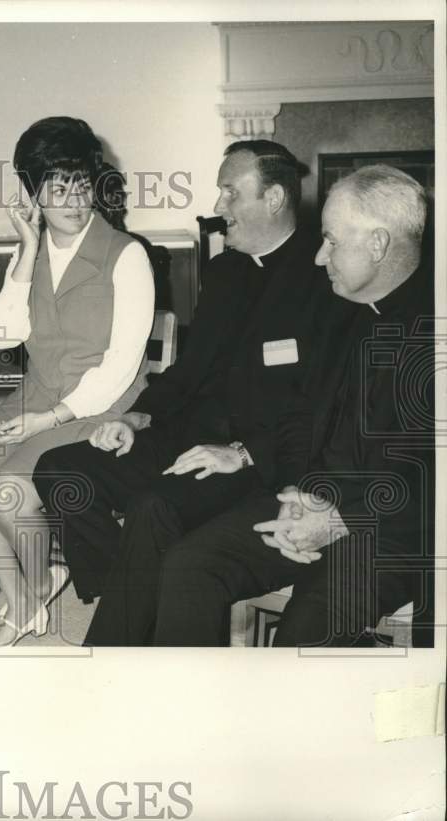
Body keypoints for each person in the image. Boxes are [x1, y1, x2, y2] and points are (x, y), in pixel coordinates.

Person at [33, 140, 340, 646]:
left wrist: (241, 453)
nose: (218, 207)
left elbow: (317, 406)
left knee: (155, 506)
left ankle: (114, 647)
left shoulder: (325, 276)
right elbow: (189, 370)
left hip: (255, 458)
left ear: (275, 198)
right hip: (187, 432)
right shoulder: (224, 271)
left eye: (230, 192)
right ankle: (134, 599)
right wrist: (137, 418)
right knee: (63, 471)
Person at [152, 165, 433, 646]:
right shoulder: (339, 311)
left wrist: (341, 520)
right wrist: (300, 496)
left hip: (395, 535)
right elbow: (301, 415)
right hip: (315, 500)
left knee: (301, 637)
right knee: (189, 564)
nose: (319, 256)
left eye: (331, 241)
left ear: (378, 244)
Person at [0, 117, 155, 646]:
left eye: (82, 184)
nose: (74, 200)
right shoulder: (29, 252)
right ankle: (25, 595)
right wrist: (28, 251)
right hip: (37, 394)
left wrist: (49, 418)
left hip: (103, 405)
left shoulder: (127, 256)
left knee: (7, 492)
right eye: (58, 187)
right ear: (33, 193)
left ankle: (37, 583)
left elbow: (121, 368)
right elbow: (1, 336)